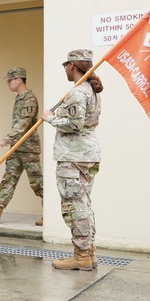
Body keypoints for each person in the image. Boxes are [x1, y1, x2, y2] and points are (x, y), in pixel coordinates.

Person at [41, 49, 103, 271]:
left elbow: (74, 125)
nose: (65, 70)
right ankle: (89, 252)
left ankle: (81, 255)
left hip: (74, 156)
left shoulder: (77, 93)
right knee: (83, 204)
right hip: (86, 155)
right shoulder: (91, 91)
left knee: (74, 205)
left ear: (72, 66)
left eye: (65, 65)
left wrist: (51, 118)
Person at [0, 67, 43, 226]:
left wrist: (9, 137)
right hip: (16, 147)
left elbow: (24, 123)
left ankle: (50, 213)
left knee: (37, 182)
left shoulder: (29, 99)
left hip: (28, 149)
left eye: (10, 80)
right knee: (9, 179)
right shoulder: (19, 98)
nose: (8, 83)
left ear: (19, 80)